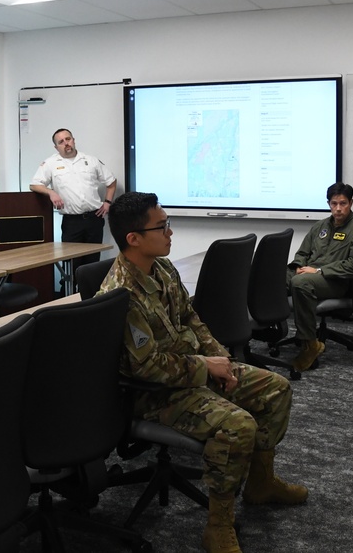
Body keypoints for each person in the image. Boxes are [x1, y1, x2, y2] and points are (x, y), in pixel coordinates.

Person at [99, 191, 306, 553]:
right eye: (162, 226)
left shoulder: (161, 267)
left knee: (276, 389)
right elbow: (145, 367)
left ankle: (261, 483)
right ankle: (218, 525)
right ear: (133, 239)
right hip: (152, 394)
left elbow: (191, 318)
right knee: (238, 425)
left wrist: (220, 359)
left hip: (192, 370)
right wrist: (204, 367)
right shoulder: (121, 294)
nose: (170, 233)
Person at [286, 182, 353, 372]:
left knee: (300, 283)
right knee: (272, 276)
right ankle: (272, 332)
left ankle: (309, 343)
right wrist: (298, 266)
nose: (338, 209)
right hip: (309, 275)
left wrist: (319, 271)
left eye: (343, 203)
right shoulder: (320, 226)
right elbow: (302, 253)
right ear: (329, 203)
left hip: (336, 281)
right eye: (334, 203)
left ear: (351, 203)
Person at [29, 128, 116, 270]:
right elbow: (34, 185)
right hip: (72, 223)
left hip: (94, 219)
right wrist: (51, 192)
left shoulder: (91, 160)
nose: (66, 143)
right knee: (71, 264)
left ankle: (90, 292)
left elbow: (111, 182)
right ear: (56, 147)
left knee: (93, 264)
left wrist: (107, 202)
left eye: (68, 139)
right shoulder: (51, 163)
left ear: (73, 140)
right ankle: (69, 291)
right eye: (61, 142)